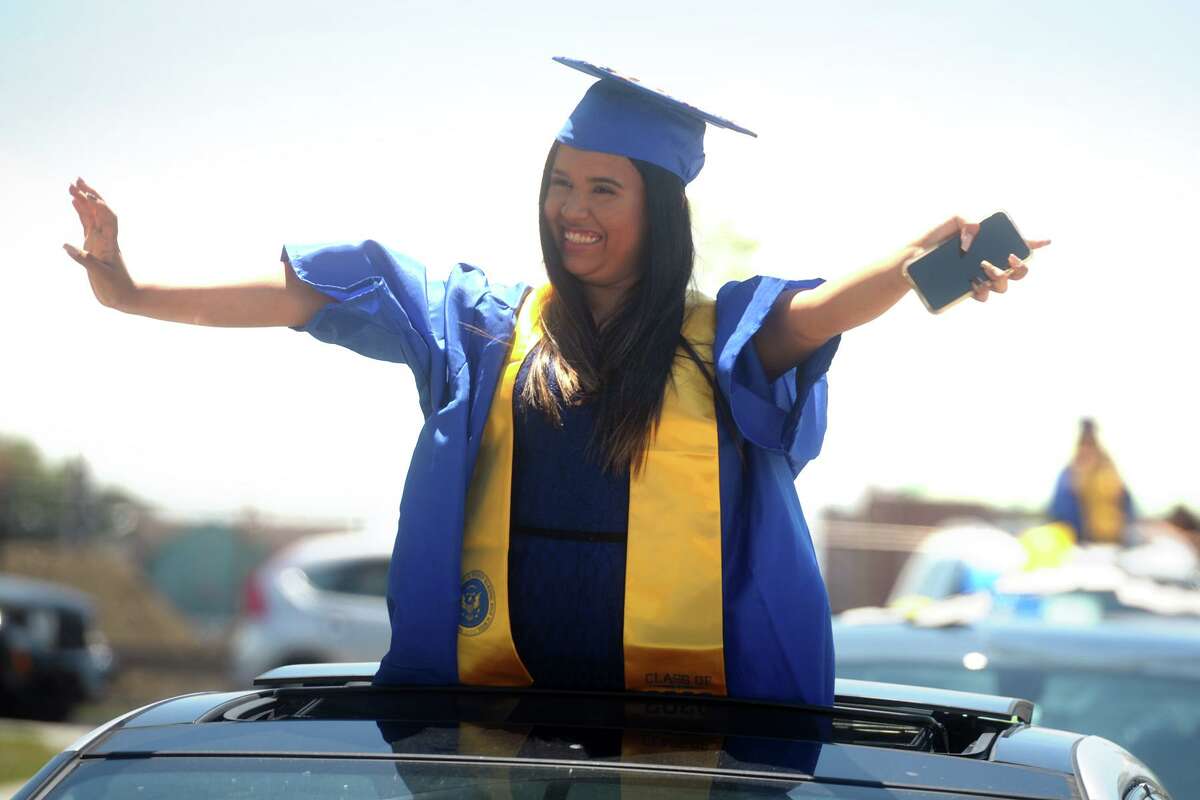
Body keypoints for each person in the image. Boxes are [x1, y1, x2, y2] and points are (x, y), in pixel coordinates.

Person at [62, 58, 1049, 707]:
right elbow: (305, 292)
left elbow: (832, 304)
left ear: (658, 208)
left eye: (603, 188)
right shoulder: (486, 328)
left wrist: (945, 257)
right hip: (493, 718)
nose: (572, 210)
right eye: (559, 182)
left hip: (686, 736)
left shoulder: (722, 340)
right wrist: (131, 289)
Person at [1049, 418, 1135, 546]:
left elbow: (1127, 505)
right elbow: (1060, 511)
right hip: (1081, 542)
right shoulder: (1070, 474)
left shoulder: (1110, 473)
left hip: (1113, 542)